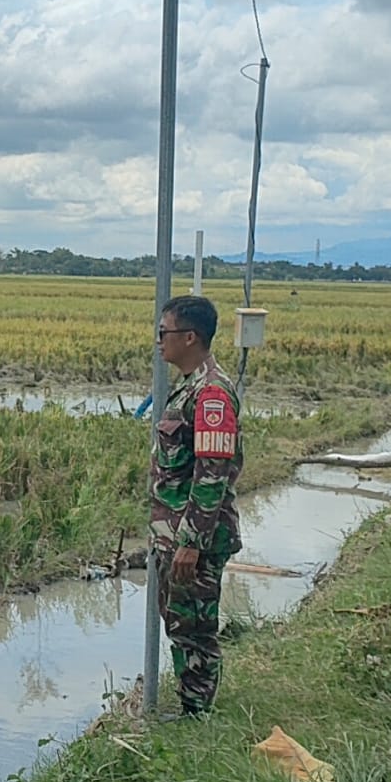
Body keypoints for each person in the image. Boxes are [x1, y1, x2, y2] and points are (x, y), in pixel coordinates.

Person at [149, 295, 243, 719]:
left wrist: (191, 542)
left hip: (194, 538)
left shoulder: (211, 395)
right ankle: (191, 708)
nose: (158, 341)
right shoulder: (190, 387)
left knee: (194, 628)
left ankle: (196, 716)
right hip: (176, 533)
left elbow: (212, 474)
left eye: (164, 332)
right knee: (180, 622)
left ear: (190, 337)